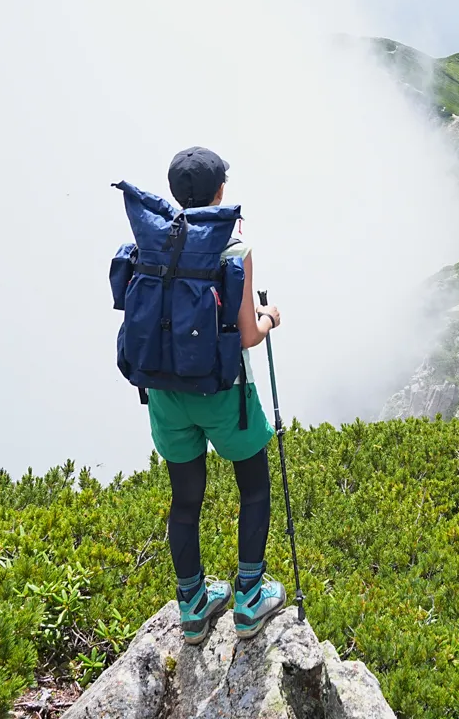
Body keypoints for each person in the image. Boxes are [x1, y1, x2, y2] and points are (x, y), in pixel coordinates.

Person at [152, 146, 288, 643]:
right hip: (224, 391)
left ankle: (192, 607)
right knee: (253, 486)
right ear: (220, 193)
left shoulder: (153, 240)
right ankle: (250, 598)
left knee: (184, 500)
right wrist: (272, 319)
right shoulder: (233, 245)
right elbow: (247, 333)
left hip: (166, 393)